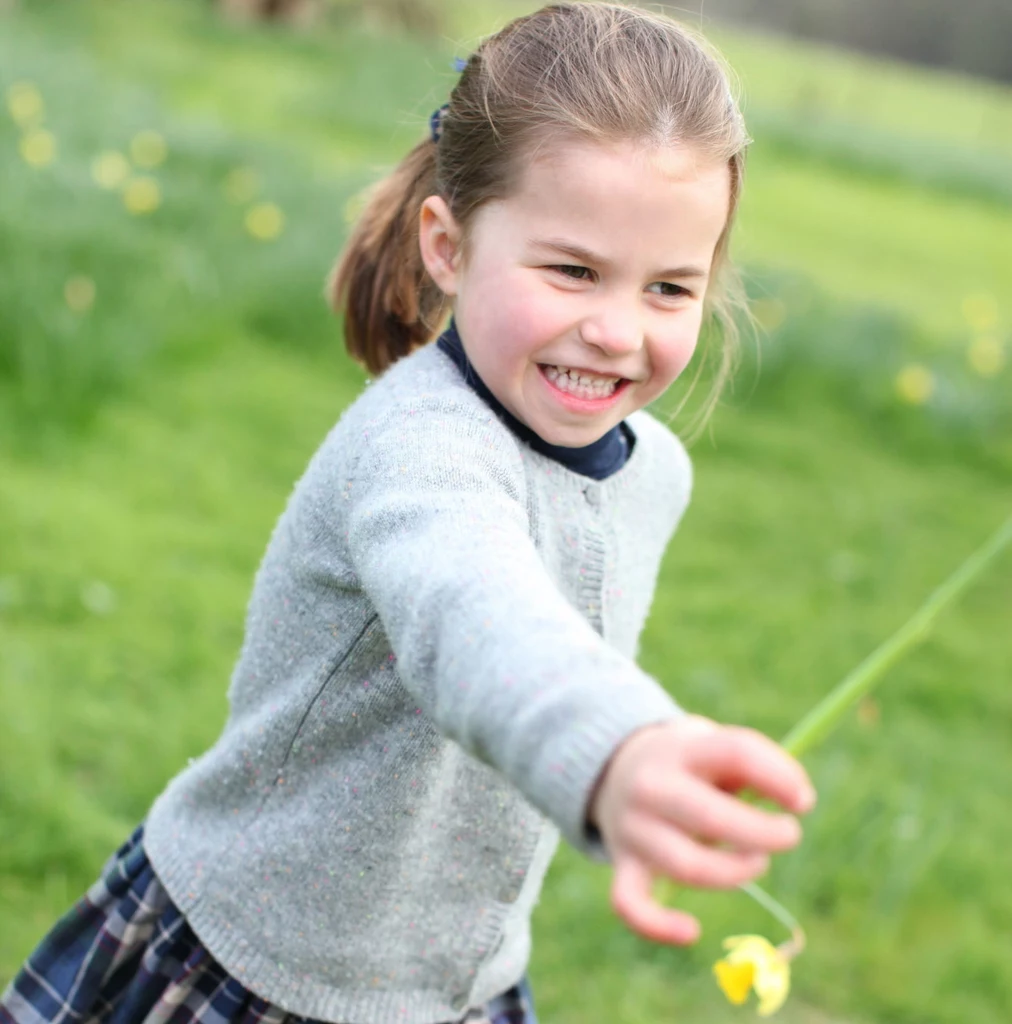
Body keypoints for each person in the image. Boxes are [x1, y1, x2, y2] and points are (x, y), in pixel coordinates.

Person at [0, 4, 817, 1024]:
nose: (615, 330)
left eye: (669, 288)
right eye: (571, 270)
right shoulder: (418, 451)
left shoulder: (652, 472)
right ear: (447, 245)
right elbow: (475, 618)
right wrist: (616, 751)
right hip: (258, 970)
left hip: (451, 985)